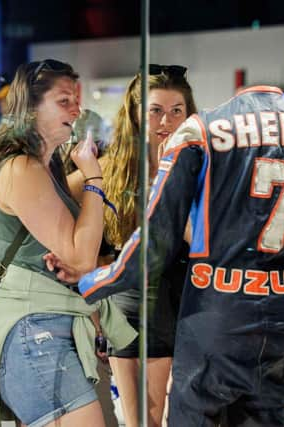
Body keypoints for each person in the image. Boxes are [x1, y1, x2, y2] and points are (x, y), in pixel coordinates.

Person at [78, 85, 284, 426]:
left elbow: (154, 243)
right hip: (282, 316)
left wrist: (89, 283)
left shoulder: (200, 130)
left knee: (194, 414)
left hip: (215, 314)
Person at [0, 59, 136, 427]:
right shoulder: (21, 169)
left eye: (75, 101)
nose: (76, 110)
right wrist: (93, 177)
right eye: (64, 101)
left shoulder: (47, 168)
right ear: (31, 108)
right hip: (35, 333)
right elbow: (79, 255)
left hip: (48, 331)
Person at [65, 64, 197, 427]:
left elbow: (205, 237)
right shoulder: (113, 167)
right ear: (137, 115)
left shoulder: (198, 167)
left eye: (176, 111)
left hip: (185, 305)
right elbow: (60, 197)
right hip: (127, 309)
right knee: (142, 422)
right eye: (155, 111)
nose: (165, 122)